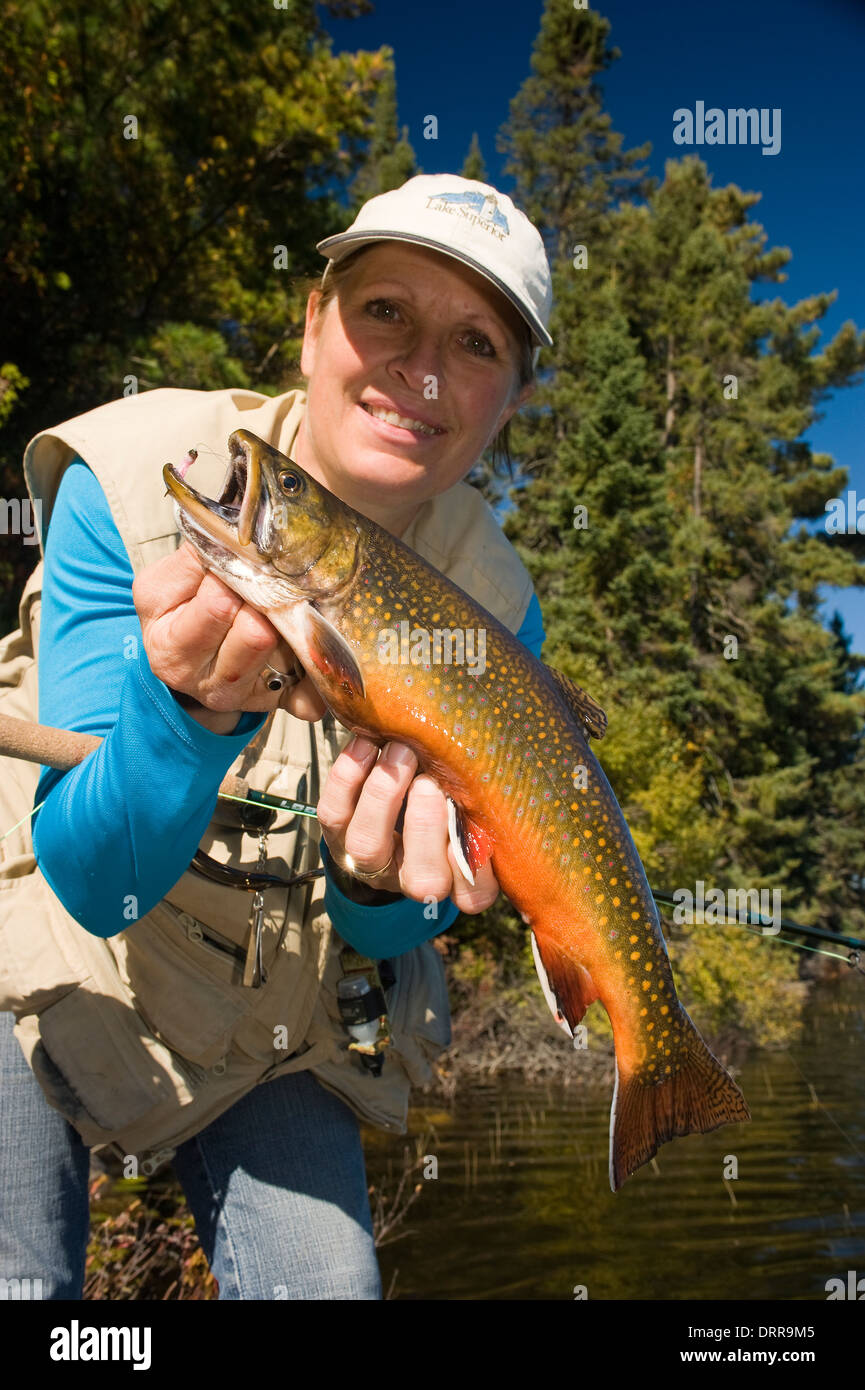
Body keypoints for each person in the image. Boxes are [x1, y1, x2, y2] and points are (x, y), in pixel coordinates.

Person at [0, 174, 552, 1300]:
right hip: (48, 952)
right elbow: (93, 888)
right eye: (384, 310)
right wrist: (185, 713)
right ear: (312, 324)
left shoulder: (498, 605)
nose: (423, 368)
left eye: (476, 342)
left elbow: (402, 915)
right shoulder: (140, 476)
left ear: (510, 404)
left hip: (275, 1012)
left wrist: (380, 880)